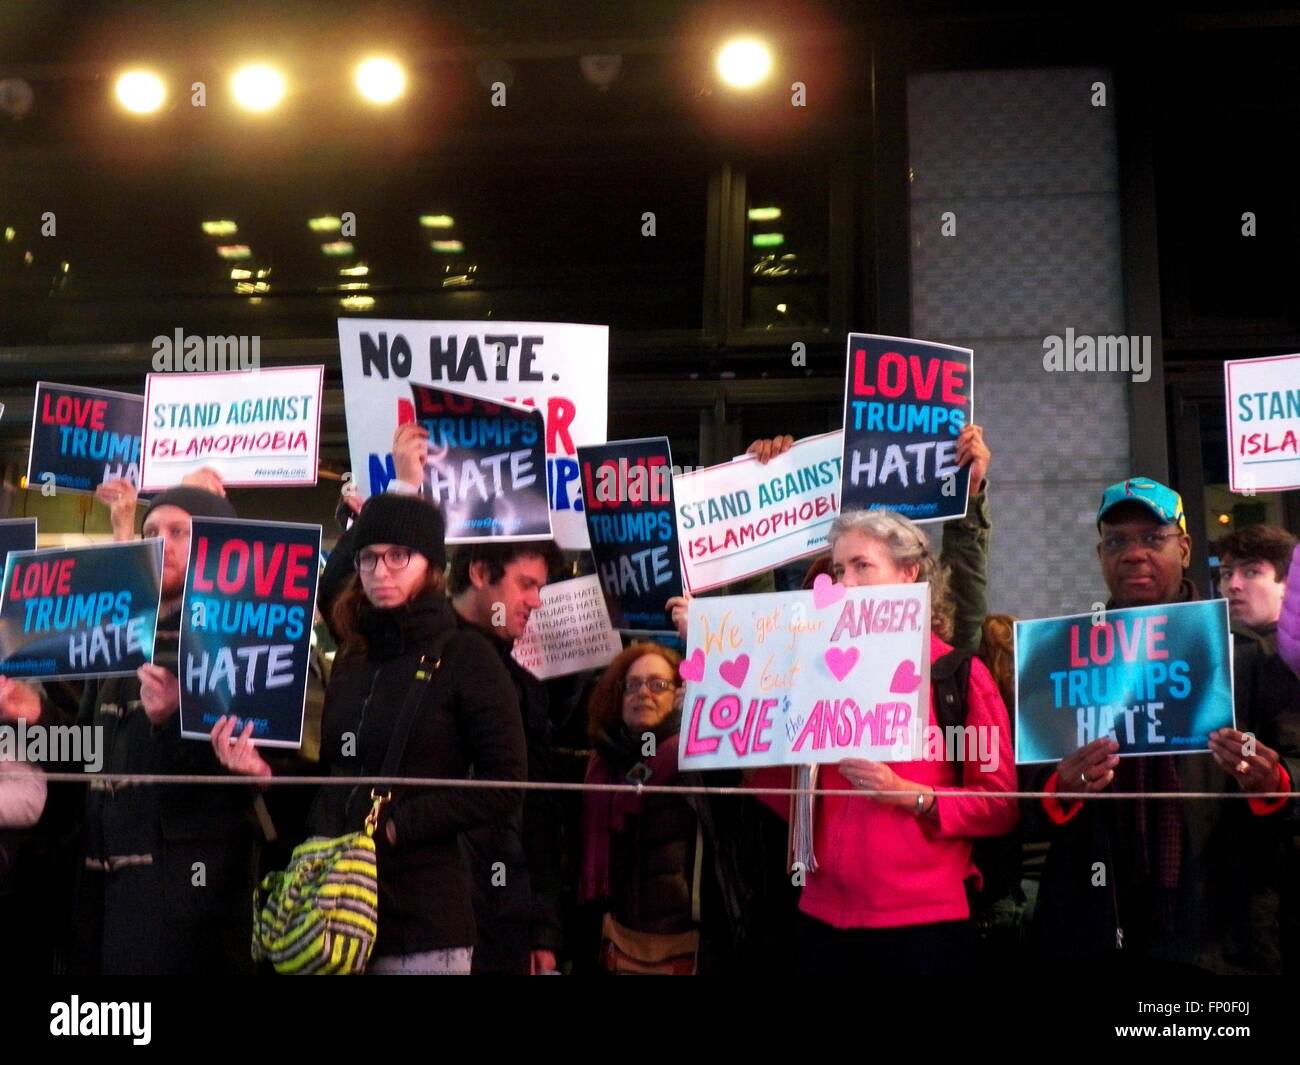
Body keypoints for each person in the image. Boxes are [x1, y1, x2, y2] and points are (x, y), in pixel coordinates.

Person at [212, 493, 526, 975]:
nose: (381, 571)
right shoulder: (352, 658)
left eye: (398, 556)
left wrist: (400, 825)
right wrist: (264, 773)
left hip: (420, 920)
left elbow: (506, 781)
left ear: (432, 566)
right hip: (329, 924)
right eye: (368, 557)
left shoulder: (469, 657)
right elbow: (336, 779)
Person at [1030, 478, 1300, 974]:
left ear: (1184, 547)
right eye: (1117, 541)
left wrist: (1274, 781)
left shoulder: (1249, 657)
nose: (1133, 554)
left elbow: (1294, 776)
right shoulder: (1064, 657)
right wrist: (1060, 787)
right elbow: (1022, 797)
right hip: (1102, 921)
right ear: (1100, 555)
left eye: (1152, 539)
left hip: (1220, 928)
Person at [0, 484, 264, 975]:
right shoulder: (115, 641)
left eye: (179, 532)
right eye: (151, 531)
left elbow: (267, 784)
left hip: (189, 903)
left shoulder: (247, 643)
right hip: (100, 899)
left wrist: (173, 722)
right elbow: (85, 757)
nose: (161, 542)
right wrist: (31, 715)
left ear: (216, 545)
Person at [791, 507, 1017, 974]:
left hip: (922, 926)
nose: (845, 582)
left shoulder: (955, 675)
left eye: (861, 565)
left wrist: (912, 796)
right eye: (838, 569)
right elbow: (770, 787)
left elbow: (1001, 803)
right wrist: (713, 663)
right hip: (821, 918)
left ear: (908, 572)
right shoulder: (810, 673)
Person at [579, 641, 748, 974]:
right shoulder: (600, 765)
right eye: (633, 684)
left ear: (679, 696)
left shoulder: (698, 760)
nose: (644, 692)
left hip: (686, 946)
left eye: (658, 684)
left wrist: (703, 710)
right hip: (612, 943)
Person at [448, 539, 567, 975]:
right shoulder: (413, 660)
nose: (537, 601)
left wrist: (543, 929)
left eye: (540, 587)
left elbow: (540, 815)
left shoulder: (527, 689)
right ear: (480, 573)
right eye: (526, 584)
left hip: (506, 919)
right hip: (427, 914)